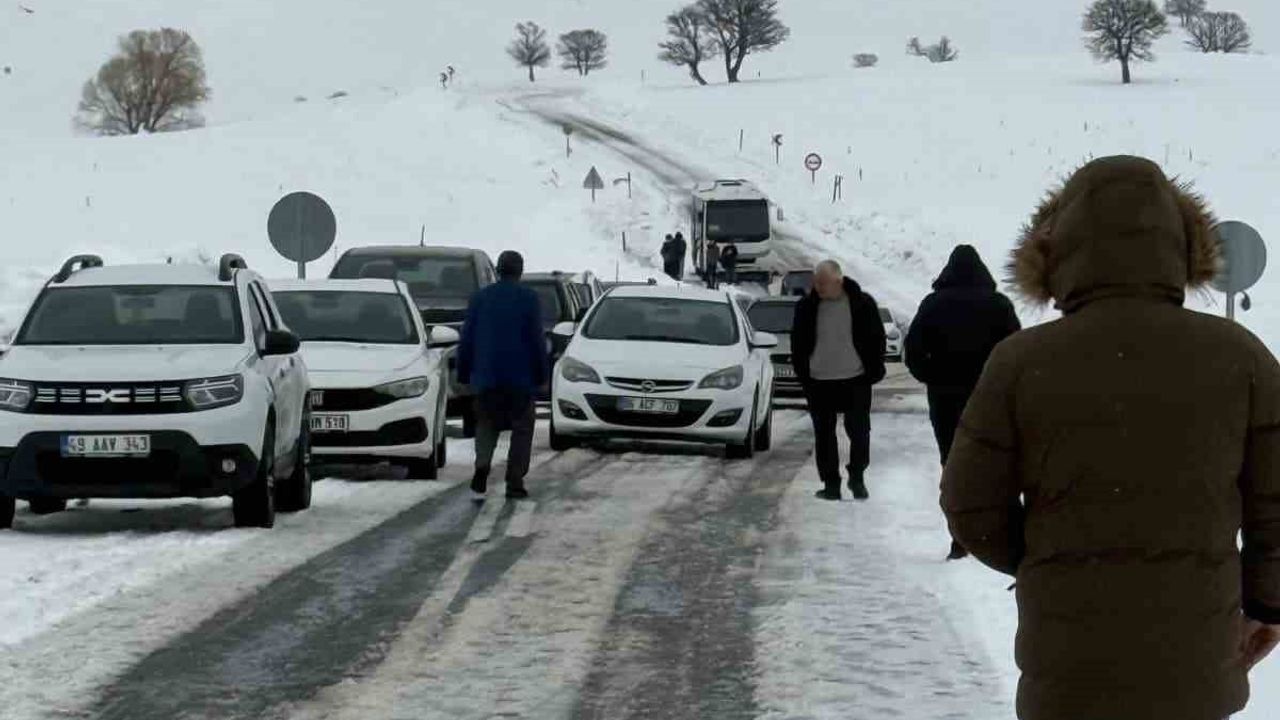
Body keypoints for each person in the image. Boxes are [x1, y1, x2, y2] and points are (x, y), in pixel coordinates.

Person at [941, 155, 1280, 720]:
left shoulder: (1022, 362)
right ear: (1183, 245)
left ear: (1058, 251)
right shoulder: (1239, 356)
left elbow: (969, 503)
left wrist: (1042, 558)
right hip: (1195, 663)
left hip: (1067, 667)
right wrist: (1267, 602)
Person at [905, 244, 1021, 560]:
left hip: (945, 399)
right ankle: (997, 535)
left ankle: (960, 536)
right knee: (994, 463)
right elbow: (1015, 351)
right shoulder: (998, 305)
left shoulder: (933, 305)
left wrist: (932, 376)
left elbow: (913, 351)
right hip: (989, 398)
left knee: (952, 463)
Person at [791, 260, 886, 501]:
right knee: (824, 435)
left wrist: (873, 368)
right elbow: (798, 341)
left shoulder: (862, 304)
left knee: (860, 432)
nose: (818, 287)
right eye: (816, 283)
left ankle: (857, 477)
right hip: (818, 381)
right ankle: (831, 484)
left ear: (839, 281)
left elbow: (877, 338)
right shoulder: (807, 307)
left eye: (823, 283)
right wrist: (803, 372)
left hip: (855, 379)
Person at [457, 250, 546, 501]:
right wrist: (541, 375)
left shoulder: (480, 298)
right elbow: (537, 341)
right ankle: (515, 481)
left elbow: (467, 339)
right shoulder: (529, 299)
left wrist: (464, 373)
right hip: (520, 379)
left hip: (486, 378)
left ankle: (482, 466)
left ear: (497, 270)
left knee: (486, 424)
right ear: (520, 271)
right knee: (522, 429)